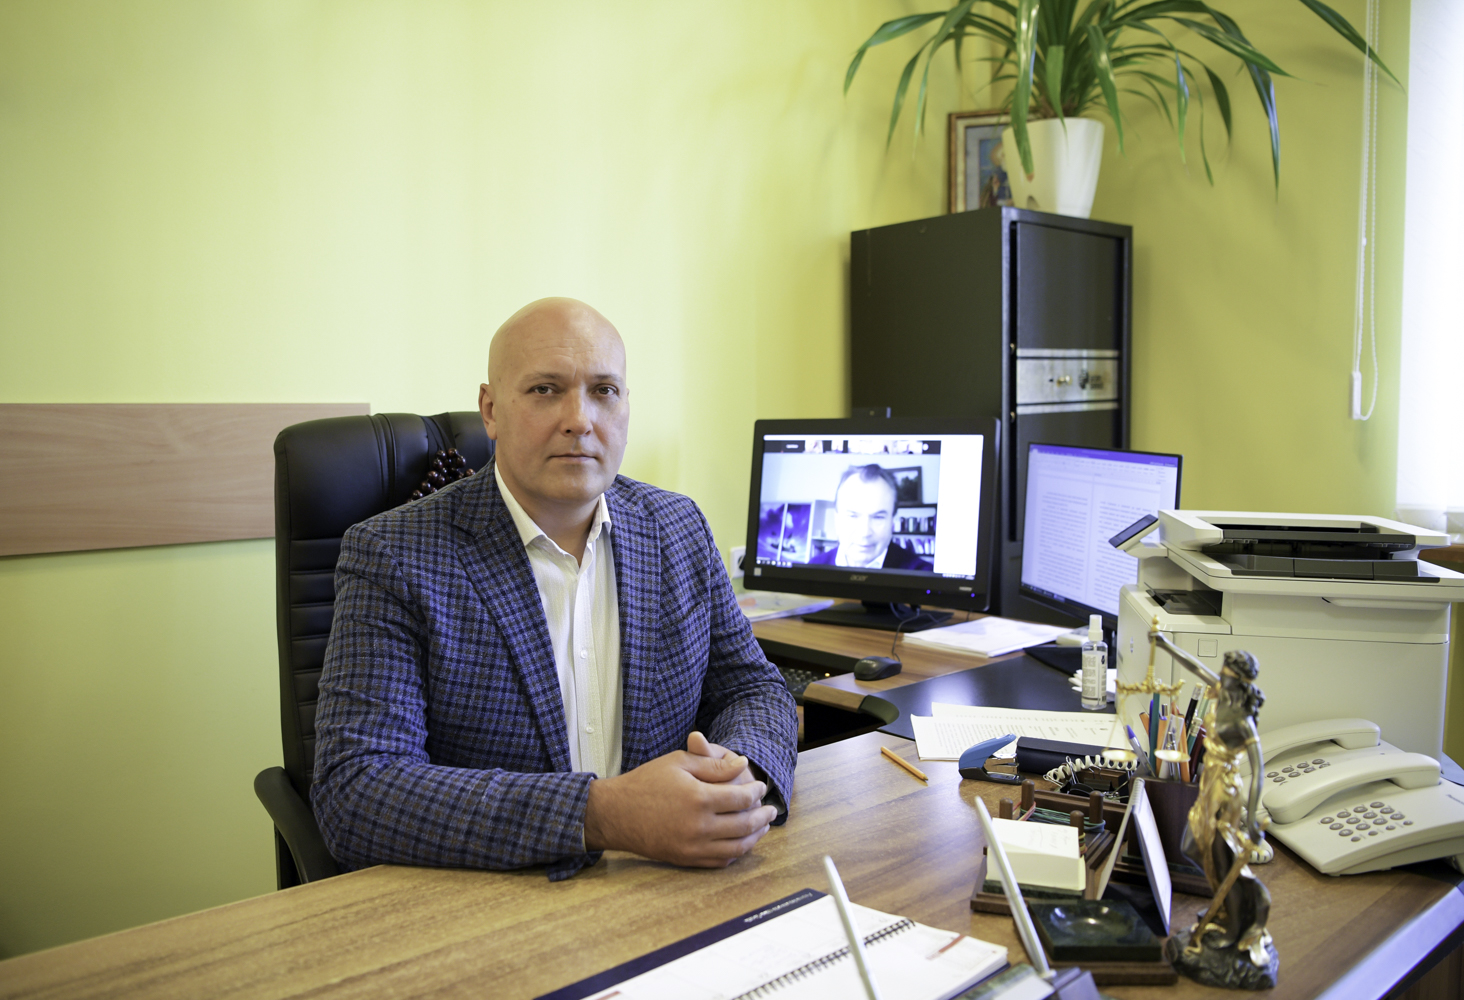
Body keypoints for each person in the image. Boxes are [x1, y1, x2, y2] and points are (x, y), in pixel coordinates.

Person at [312, 298, 798, 881]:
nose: (580, 419)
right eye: (545, 389)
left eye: (604, 391)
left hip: (671, 881)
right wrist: (603, 815)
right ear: (491, 410)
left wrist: (739, 778)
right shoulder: (393, 554)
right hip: (496, 899)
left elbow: (752, 688)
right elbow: (357, 789)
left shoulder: (677, 527)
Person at [809, 464, 932, 571]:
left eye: (878, 517)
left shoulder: (922, 576)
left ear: (893, 521)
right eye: (853, 516)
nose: (865, 532)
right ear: (837, 519)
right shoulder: (812, 570)